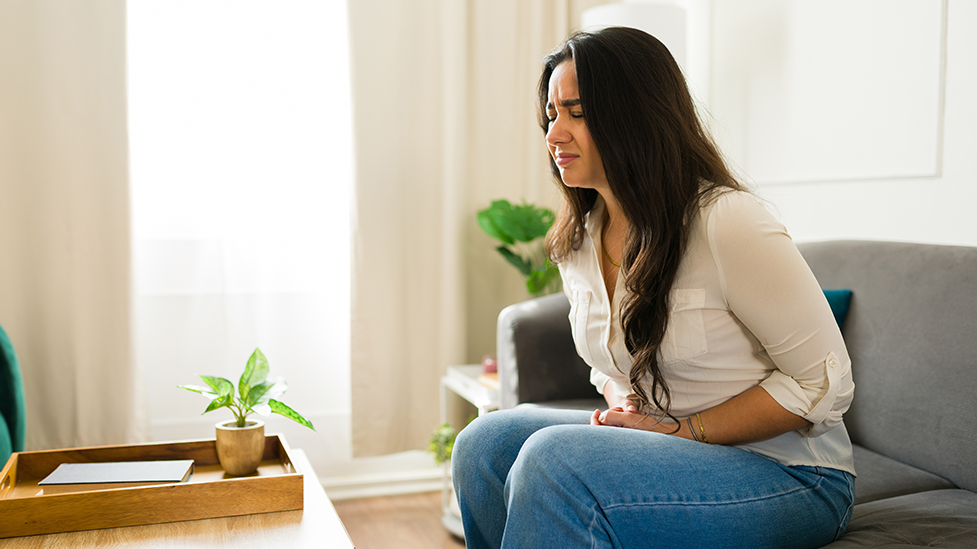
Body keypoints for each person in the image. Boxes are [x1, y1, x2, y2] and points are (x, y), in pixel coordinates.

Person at [451, 27, 856, 549]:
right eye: (551, 116)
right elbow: (608, 360)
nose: (554, 136)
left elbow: (825, 383)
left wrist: (683, 432)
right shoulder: (579, 239)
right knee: (484, 442)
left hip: (792, 473)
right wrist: (626, 403)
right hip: (668, 447)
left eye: (576, 112)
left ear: (635, 115)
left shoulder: (725, 221)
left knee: (554, 462)